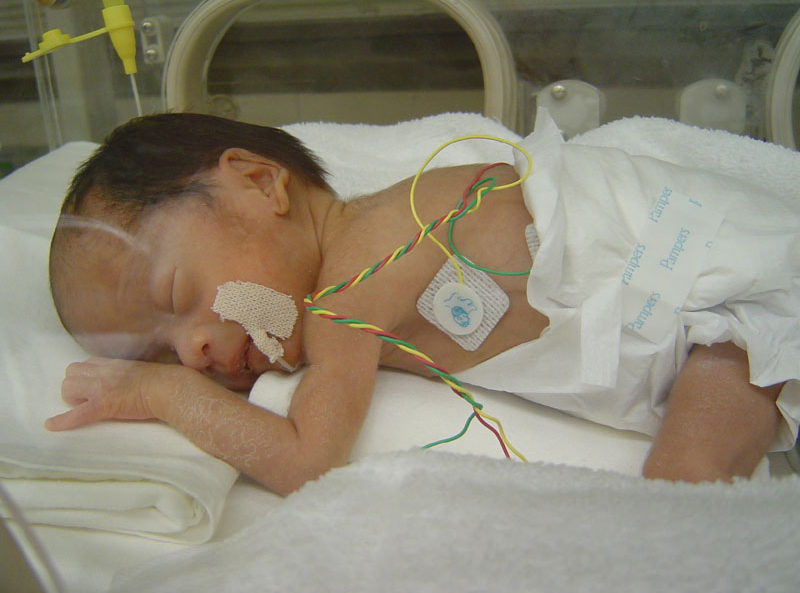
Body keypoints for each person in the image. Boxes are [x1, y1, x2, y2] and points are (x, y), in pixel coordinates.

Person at [46, 113, 793, 495]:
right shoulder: (376, 242)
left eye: (174, 295)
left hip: (734, 302)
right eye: (161, 355)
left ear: (259, 183)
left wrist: (163, 394)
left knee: (681, 490)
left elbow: (306, 459)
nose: (192, 352)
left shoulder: (352, 287)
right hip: (724, 325)